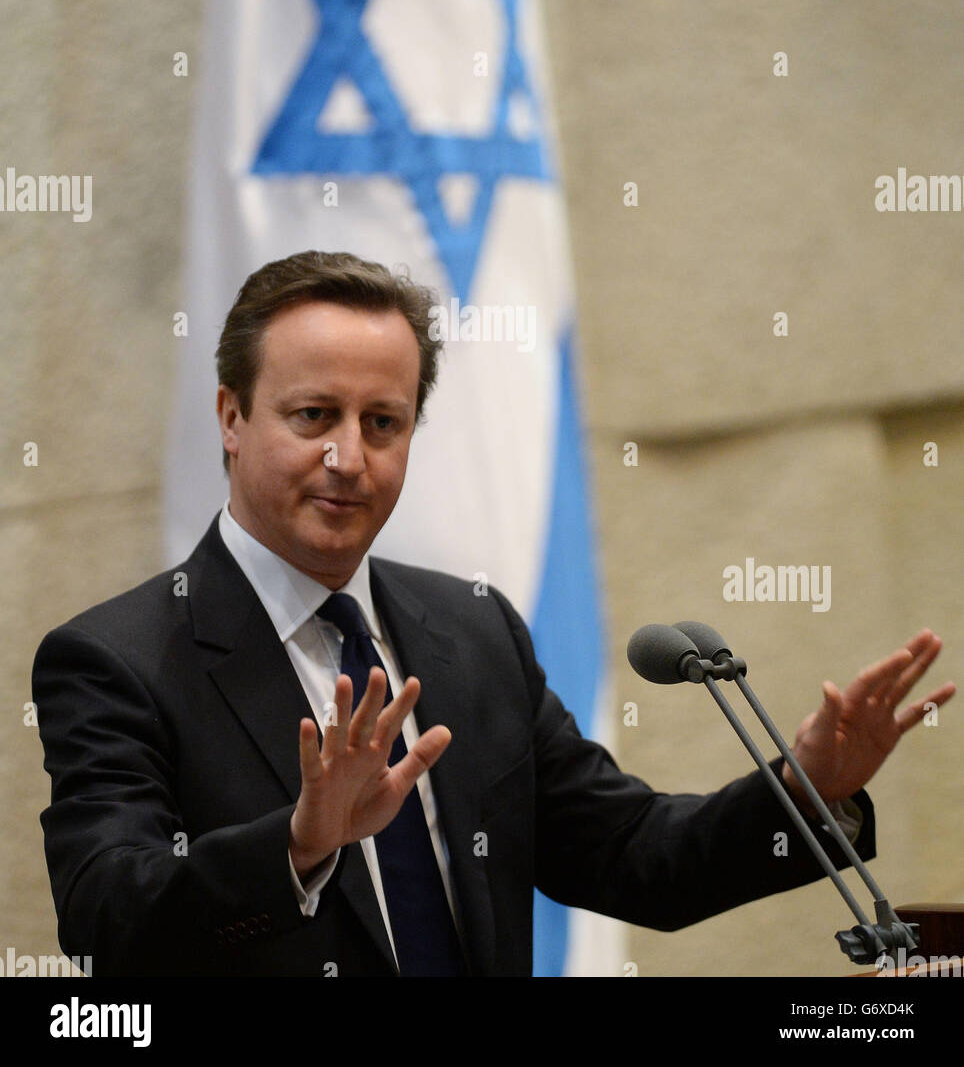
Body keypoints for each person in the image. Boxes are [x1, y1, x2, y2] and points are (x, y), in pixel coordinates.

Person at [33, 251, 954, 977]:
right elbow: (109, 922)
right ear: (232, 416)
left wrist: (806, 788)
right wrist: (300, 845)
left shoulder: (470, 634)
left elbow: (635, 857)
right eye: (313, 415)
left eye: (382, 423)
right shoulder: (117, 660)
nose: (348, 458)